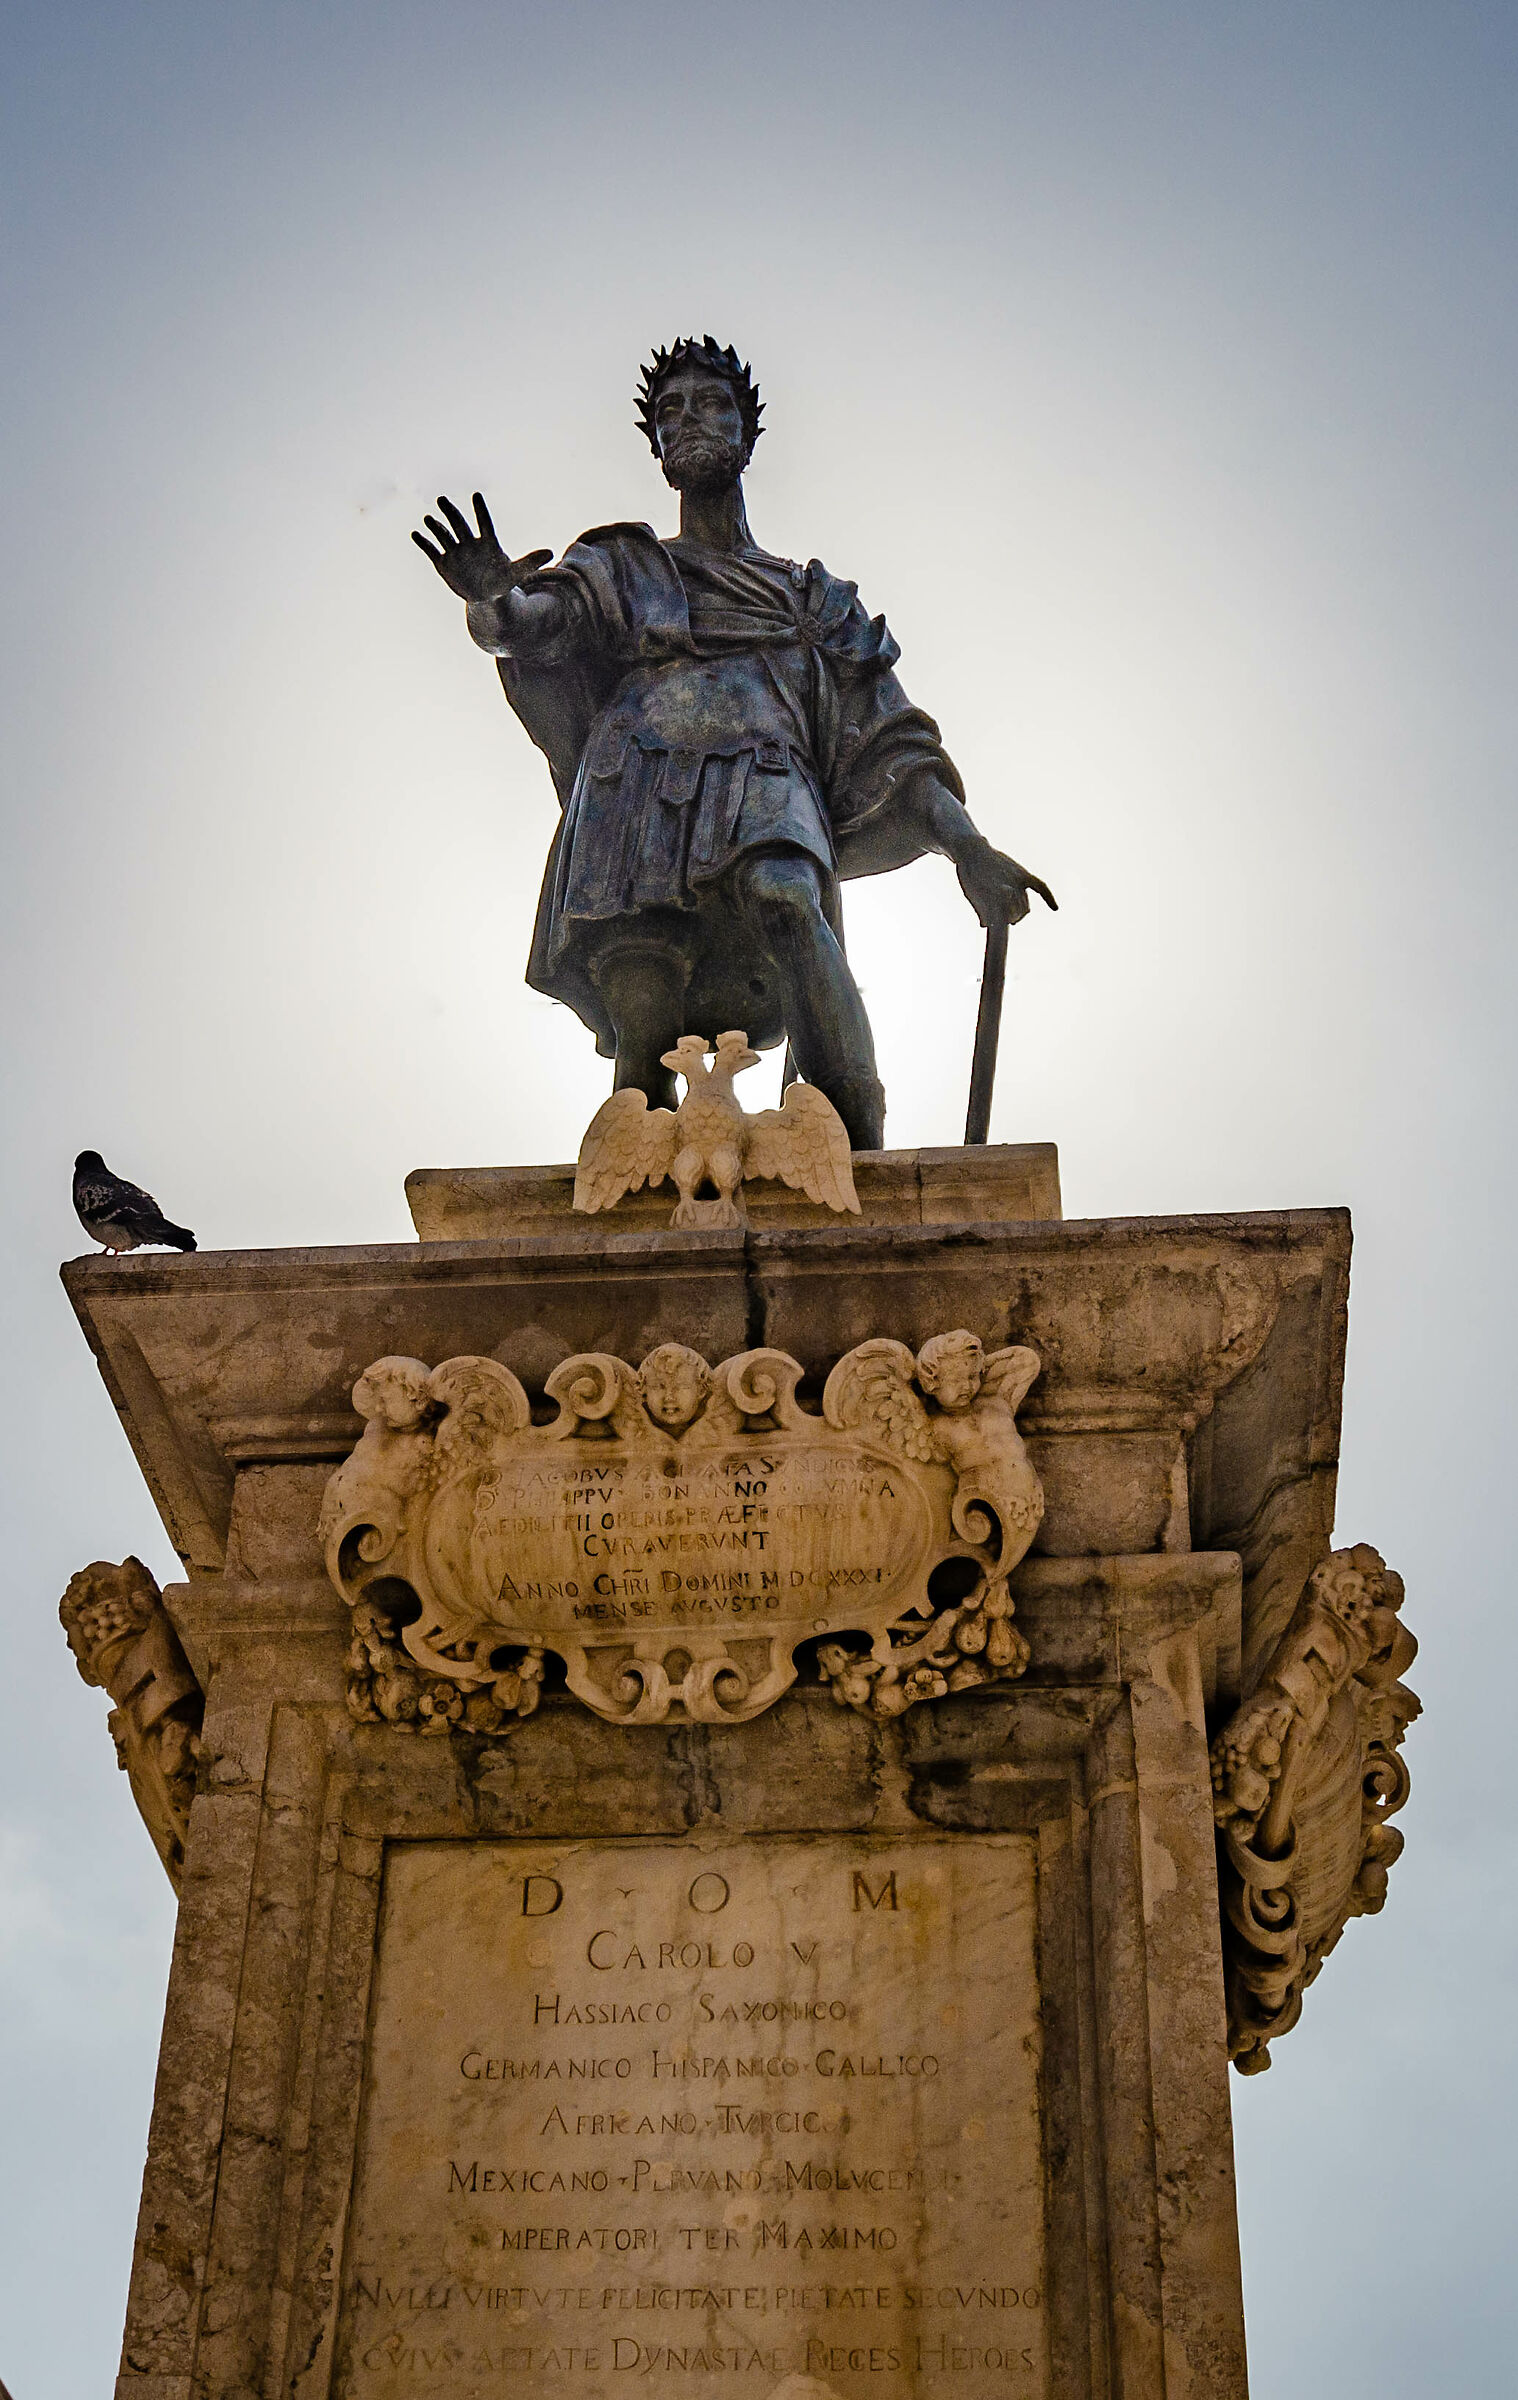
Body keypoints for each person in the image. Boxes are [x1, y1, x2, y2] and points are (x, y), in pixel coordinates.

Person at [414, 337, 1054, 1150]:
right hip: (636, 786)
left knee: (787, 901)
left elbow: (895, 742)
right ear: (656, 448)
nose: (690, 421)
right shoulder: (620, 565)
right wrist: (492, 602)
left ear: (748, 433)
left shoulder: (812, 598)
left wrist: (969, 848)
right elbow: (532, 627)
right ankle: (632, 1198)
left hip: (767, 776)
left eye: (711, 404)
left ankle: (858, 1149)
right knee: (645, 1017)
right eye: (670, 412)